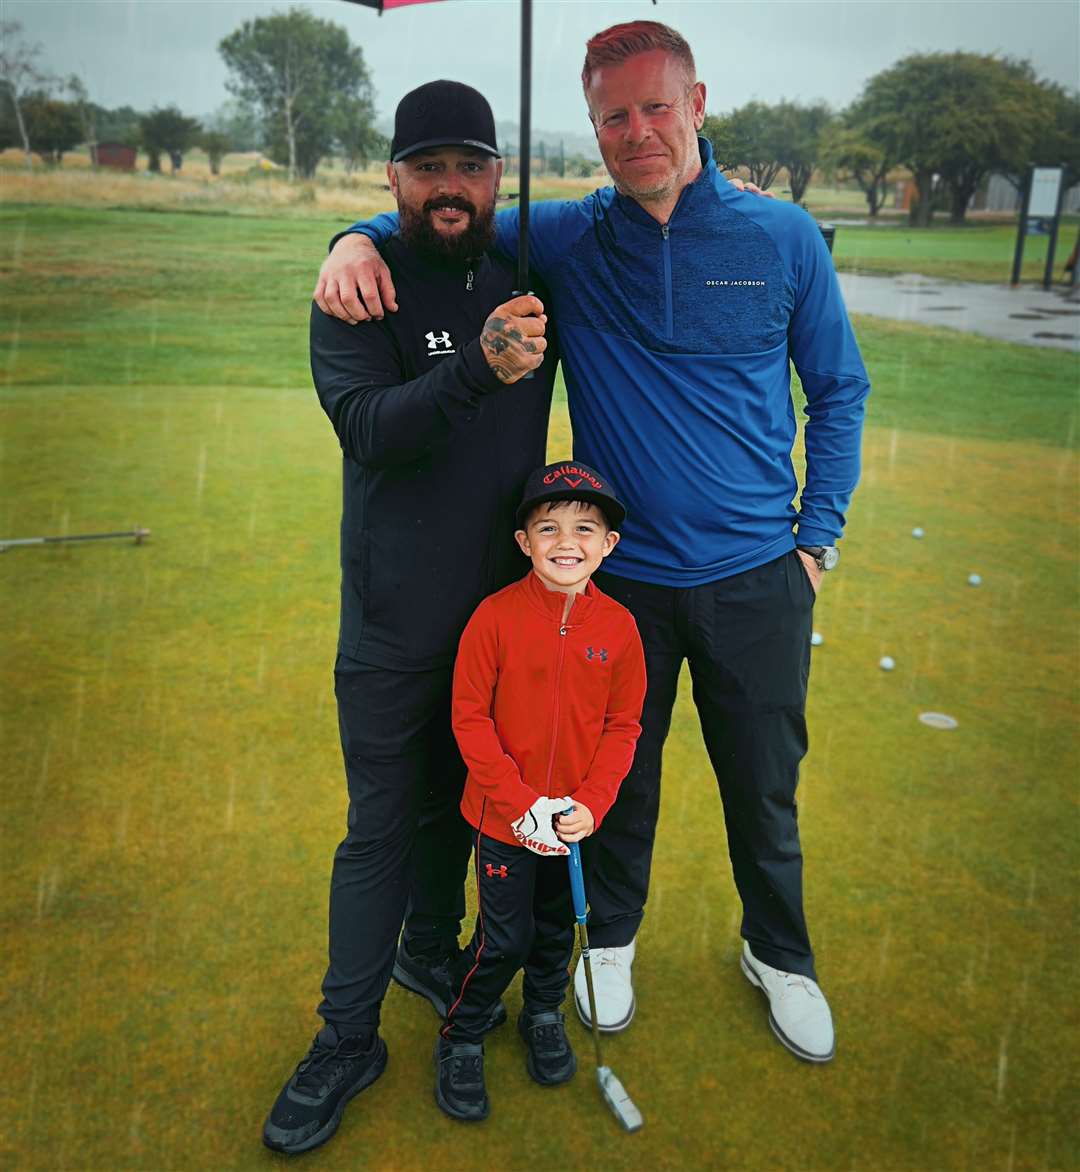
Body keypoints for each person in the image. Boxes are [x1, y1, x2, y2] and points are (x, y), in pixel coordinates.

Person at [316, 20, 870, 1065]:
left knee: (763, 779)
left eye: (657, 106)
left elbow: (839, 390)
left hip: (760, 571)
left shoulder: (784, 237)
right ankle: (608, 936)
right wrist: (347, 235)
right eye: (614, 115)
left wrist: (816, 541)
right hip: (626, 584)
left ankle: (778, 952)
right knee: (617, 776)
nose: (638, 131)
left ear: (698, 103)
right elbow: (444, 209)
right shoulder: (569, 235)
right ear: (594, 127)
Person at [262, 80, 559, 1156]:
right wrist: (477, 366)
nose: (450, 185)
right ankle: (348, 1036)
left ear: (494, 179)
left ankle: (430, 950)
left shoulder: (529, 270)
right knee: (380, 826)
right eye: (427, 166)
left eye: (471, 165)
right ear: (391, 178)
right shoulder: (358, 289)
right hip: (392, 622)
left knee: (458, 807)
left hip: (500, 623)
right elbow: (372, 430)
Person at [435, 461, 646, 1121]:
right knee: (505, 939)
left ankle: (544, 1013)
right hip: (505, 821)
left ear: (608, 545)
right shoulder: (493, 618)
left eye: (586, 528)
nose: (566, 540)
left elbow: (623, 724)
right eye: (548, 526)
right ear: (524, 542)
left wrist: (591, 803)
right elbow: (469, 719)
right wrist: (520, 804)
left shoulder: (619, 629)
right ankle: (463, 1033)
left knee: (557, 929)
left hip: (574, 823)